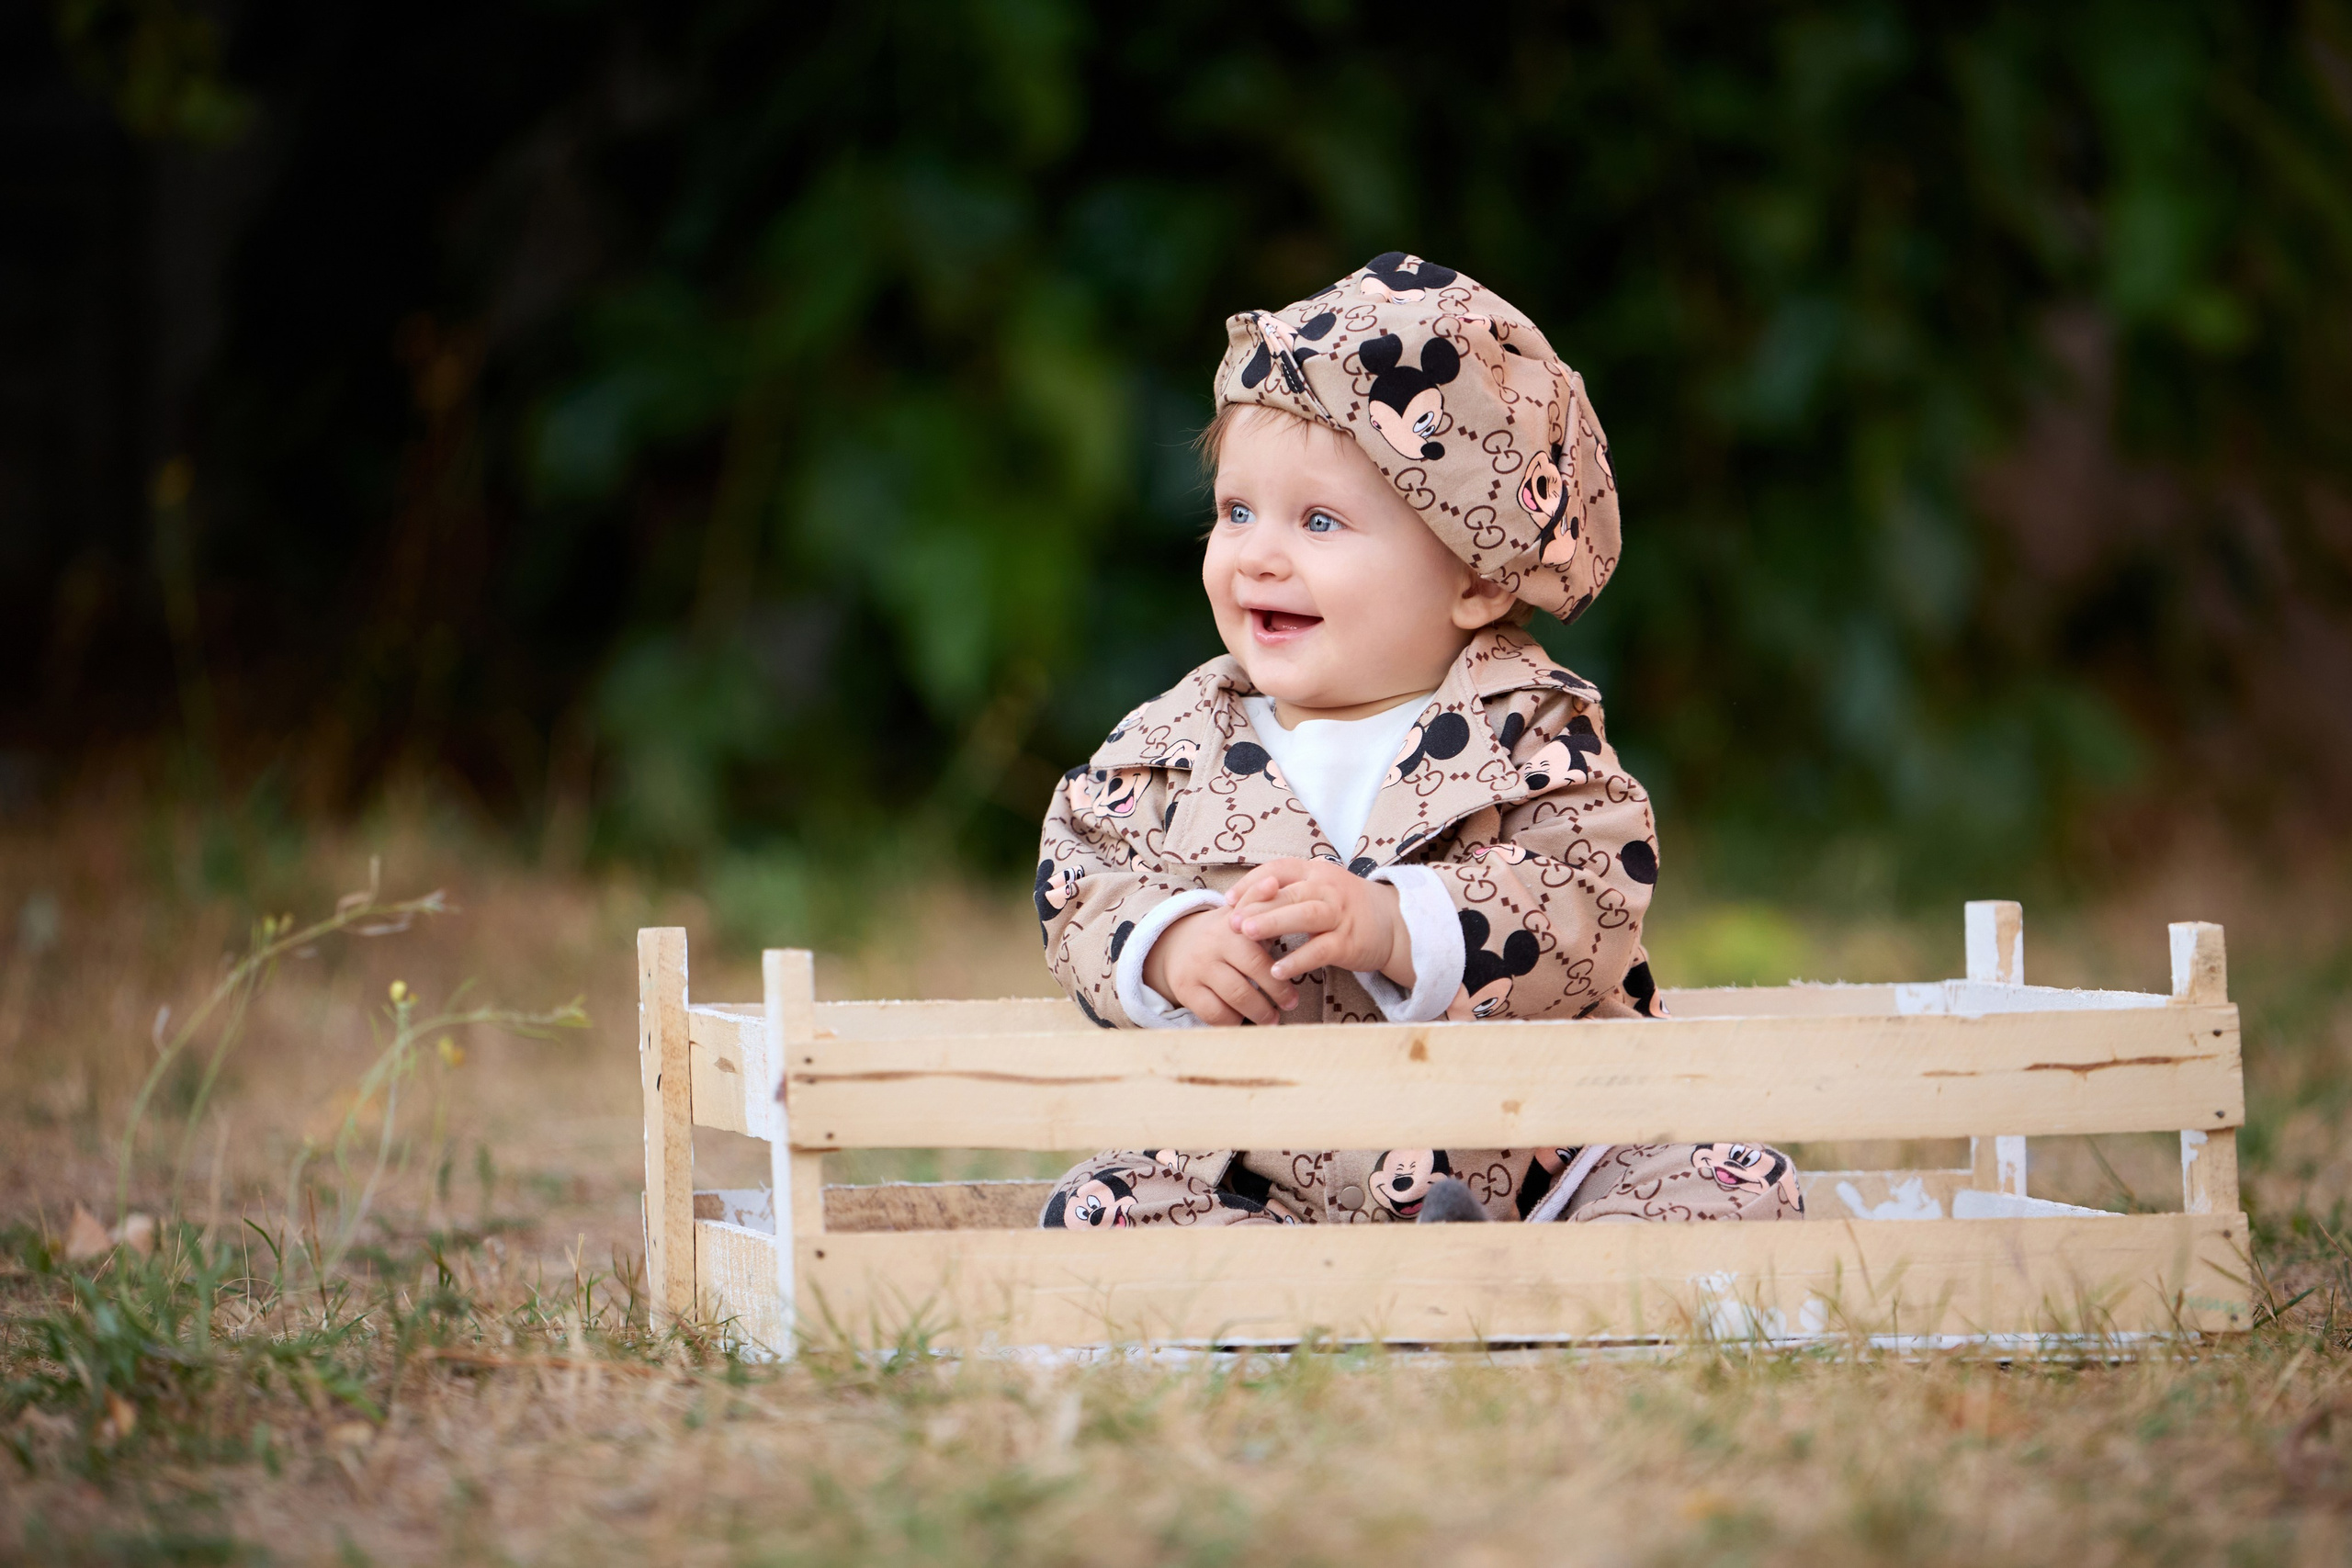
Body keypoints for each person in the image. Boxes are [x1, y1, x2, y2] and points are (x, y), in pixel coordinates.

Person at [1034, 253, 1802, 1229]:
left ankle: (1524, 1277)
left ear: (1476, 578)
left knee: (1740, 1184)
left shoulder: (1529, 728)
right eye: (1235, 512)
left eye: (1319, 521)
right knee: (1098, 1206)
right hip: (1260, 1174)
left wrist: (1401, 925)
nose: (1257, 553)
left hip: (1531, 1162)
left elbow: (1594, 889)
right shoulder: (1172, 742)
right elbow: (1079, 871)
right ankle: (1296, 1289)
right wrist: (1165, 943)